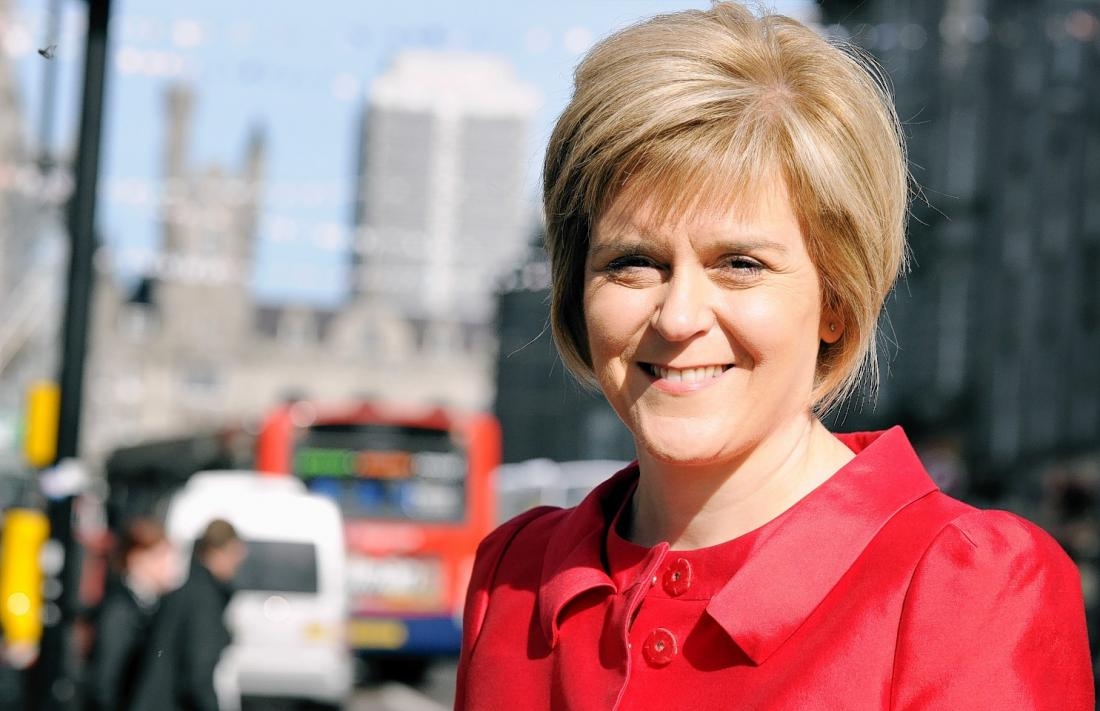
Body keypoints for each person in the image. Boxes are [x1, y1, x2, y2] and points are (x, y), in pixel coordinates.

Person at [455, 3, 1094, 709]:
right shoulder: (513, 577)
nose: (679, 316)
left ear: (836, 299)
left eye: (740, 263)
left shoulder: (966, 586)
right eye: (634, 262)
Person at [130, 518, 247, 711]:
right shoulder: (206, 600)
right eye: (235, 555)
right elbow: (199, 674)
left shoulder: (184, 591)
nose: (238, 564)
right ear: (220, 553)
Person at [85, 518, 180, 711]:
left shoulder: (152, 605)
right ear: (136, 558)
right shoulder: (120, 609)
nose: (169, 566)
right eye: (160, 556)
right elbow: (106, 680)